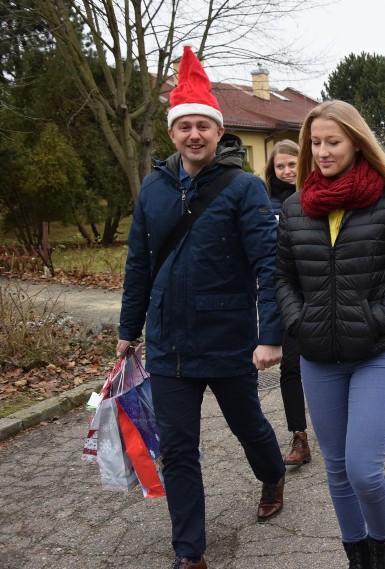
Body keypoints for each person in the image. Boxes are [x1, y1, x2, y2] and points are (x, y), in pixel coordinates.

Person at [117, 46, 286, 569]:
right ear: (172, 133)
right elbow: (139, 263)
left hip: (227, 336)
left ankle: (272, 472)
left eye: (203, 127)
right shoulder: (153, 188)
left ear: (218, 133)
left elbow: (268, 266)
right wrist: (129, 329)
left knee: (248, 426)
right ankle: (190, 552)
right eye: (184, 126)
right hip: (168, 343)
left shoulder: (244, 188)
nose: (194, 135)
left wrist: (270, 334)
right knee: (179, 451)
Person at [274, 99, 385, 568]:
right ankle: (357, 558)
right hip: (317, 357)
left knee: (363, 469)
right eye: (315, 143)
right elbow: (282, 278)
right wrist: (299, 321)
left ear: (357, 142)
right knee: (338, 471)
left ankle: (382, 552)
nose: (322, 151)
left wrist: (375, 318)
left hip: (373, 354)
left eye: (333, 141)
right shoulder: (295, 207)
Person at [263, 140, 312, 465]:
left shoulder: (314, 197)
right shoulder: (265, 203)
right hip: (287, 293)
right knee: (290, 369)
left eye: (292, 164)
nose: (286, 171)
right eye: (280, 166)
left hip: (319, 291)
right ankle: (300, 437)